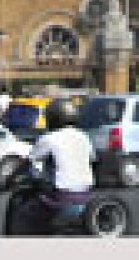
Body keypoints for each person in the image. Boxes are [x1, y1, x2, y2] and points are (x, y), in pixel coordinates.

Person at [24, 96, 96, 228]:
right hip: (87, 196)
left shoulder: (49, 138)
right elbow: (92, 159)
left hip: (62, 197)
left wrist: (14, 177)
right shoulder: (84, 136)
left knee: (29, 212)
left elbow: (29, 161)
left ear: (53, 118)